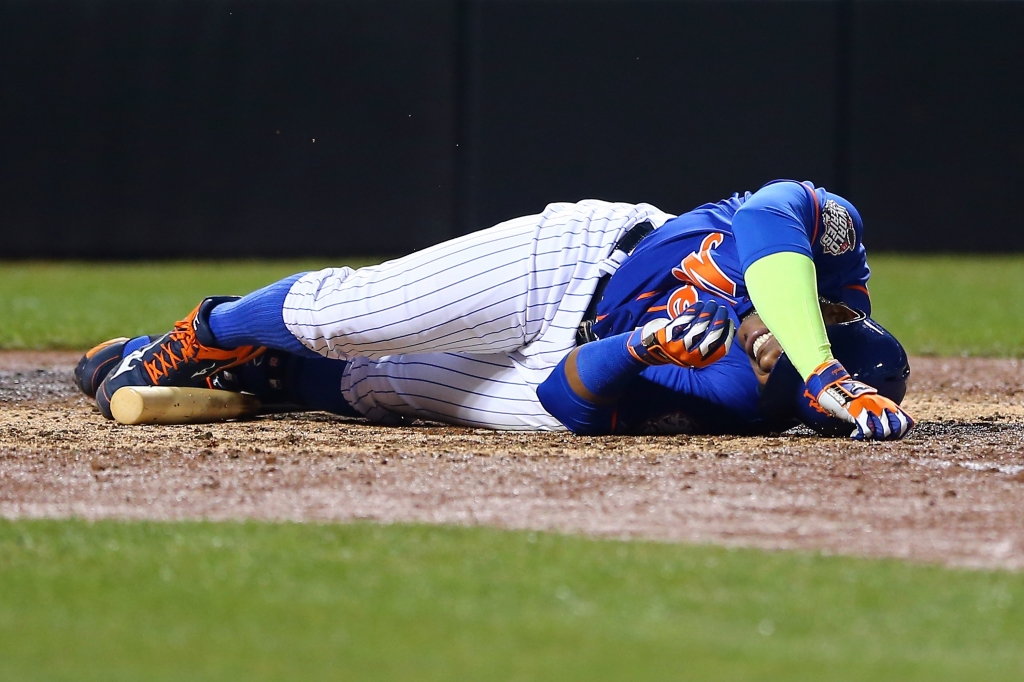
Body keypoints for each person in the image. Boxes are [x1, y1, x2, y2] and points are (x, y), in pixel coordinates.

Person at [76, 180, 915, 440]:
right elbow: (772, 233)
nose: (784, 343)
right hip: (575, 262)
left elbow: (564, 396)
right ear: (844, 307)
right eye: (830, 324)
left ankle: (268, 370)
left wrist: (646, 347)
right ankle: (201, 333)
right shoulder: (826, 234)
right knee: (362, 312)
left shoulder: (744, 394)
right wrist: (825, 367)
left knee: (385, 384)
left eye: (789, 369)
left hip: (573, 361)